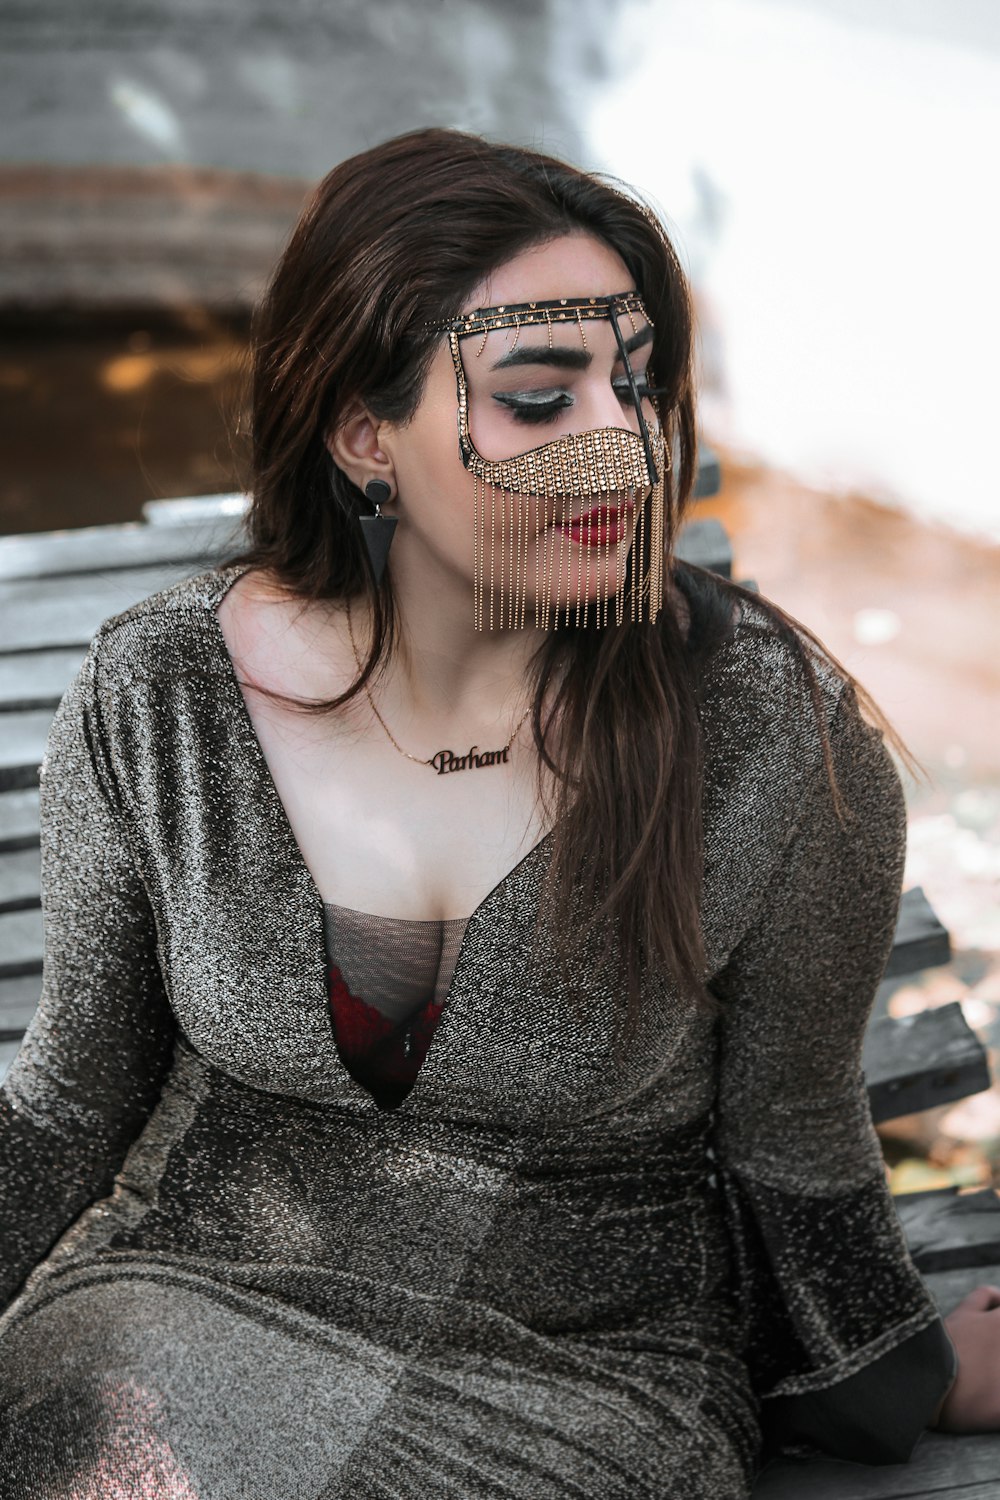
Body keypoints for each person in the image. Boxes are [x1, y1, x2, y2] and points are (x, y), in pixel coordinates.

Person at [1, 127, 997, 1499]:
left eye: (635, 384)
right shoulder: (160, 696)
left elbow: (797, 1132)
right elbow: (72, 1094)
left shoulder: (770, 731)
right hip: (170, 1309)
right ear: (366, 437)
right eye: (541, 399)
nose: (624, 446)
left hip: (575, 1383)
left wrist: (897, 1370)